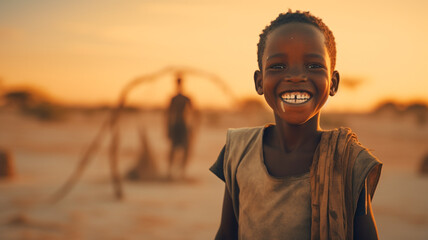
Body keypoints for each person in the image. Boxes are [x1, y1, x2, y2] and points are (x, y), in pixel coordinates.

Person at [210, 10, 382, 240]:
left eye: (313, 66)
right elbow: (226, 234)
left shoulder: (347, 160)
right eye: (278, 66)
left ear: (333, 82)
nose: (296, 76)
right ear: (259, 82)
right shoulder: (239, 151)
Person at [166, 74, 195, 180]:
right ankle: (170, 171)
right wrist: (168, 128)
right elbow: (168, 114)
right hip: (177, 125)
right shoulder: (173, 99)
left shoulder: (185, 98)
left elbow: (193, 112)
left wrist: (192, 127)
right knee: (173, 148)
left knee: (185, 148)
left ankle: (182, 171)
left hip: (183, 125)